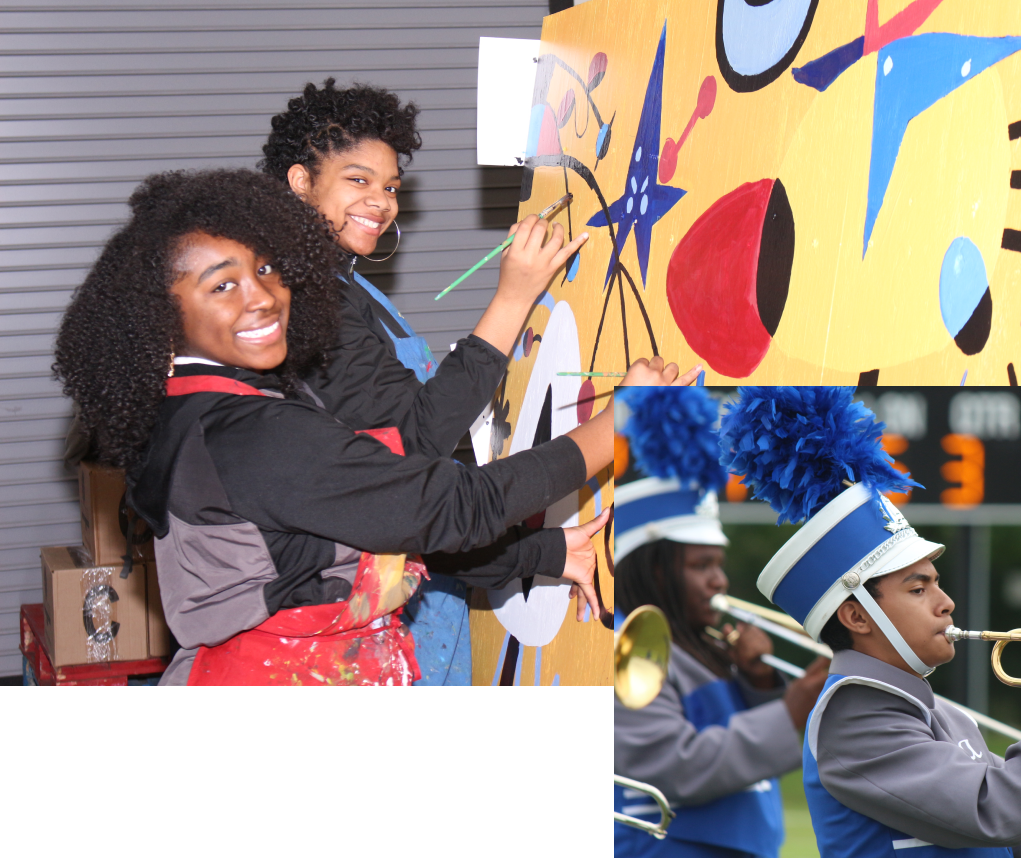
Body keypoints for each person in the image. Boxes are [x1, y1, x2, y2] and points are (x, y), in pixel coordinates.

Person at [52, 168, 649, 686]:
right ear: (163, 314)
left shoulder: (198, 407)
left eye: (266, 269)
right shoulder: (248, 432)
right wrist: (619, 422)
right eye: (223, 285)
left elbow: (371, 528)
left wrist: (545, 551)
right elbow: (450, 507)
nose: (262, 298)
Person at [259, 79, 700, 682]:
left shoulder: (344, 286)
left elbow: (400, 499)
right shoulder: (308, 300)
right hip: (369, 628)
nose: (382, 202)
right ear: (301, 181)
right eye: (358, 180)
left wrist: (541, 553)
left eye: (390, 186)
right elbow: (413, 452)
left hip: (413, 593)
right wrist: (515, 299)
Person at [719, 386, 1021, 857]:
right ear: (857, 615)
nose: (946, 603)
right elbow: (998, 810)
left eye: (937, 584)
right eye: (918, 589)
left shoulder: (942, 715)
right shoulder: (854, 715)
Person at [613, 388, 830, 858]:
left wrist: (758, 681)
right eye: (701, 565)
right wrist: (789, 712)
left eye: (719, 563)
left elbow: (729, 734)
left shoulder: (698, 642)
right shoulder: (627, 646)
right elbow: (671, 765)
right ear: (656, 569)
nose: (720, 579)